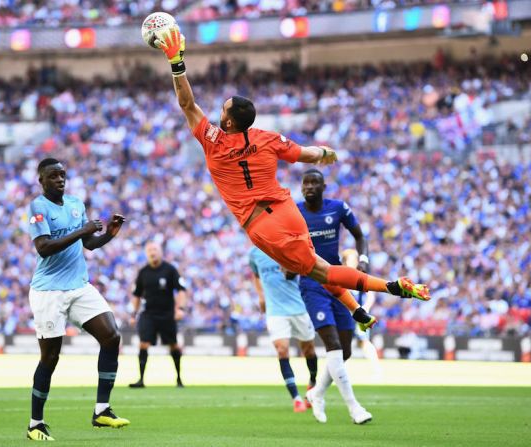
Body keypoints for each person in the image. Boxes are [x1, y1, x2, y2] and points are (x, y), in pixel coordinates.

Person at [153, 28, 430, 328]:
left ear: (229, 121)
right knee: (315, 267)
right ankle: (358, 312)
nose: (218, 110)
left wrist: (176, 62)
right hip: (287, 210)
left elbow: (187, 104)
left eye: (222, 109)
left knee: (321, 271)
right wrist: (325, 152)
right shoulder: (268, 138)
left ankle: (390, 286)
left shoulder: (213, 141)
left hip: (262, 224)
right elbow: (308, 155)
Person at [26, 158, 129, 441]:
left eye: (62, 175)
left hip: (78, 286)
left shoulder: (75, 203)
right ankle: (35, 424)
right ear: (41, 181)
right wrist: (82, 231)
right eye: (53, 176)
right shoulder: (38, 207)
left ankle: (102, 410)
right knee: (50, 357)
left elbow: (88, 244)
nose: (60, 179)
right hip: (48, 291)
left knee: (112, 337)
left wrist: (108, 234)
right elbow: (44, 247)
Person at [297, 168, 373, 425]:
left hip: (337, 280)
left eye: (314, 183)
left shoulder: (338, 208)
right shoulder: (294, 211)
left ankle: (316, 393)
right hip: (311, 283)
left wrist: (362, 259)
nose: (309, 187)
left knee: (346, 352)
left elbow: (360, 235)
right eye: (305, 183)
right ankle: (354, 408)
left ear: (323, 186)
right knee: (333, 346)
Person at [249, 246, 318, 413]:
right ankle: (296, 399)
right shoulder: (254, 254)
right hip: (275, 311)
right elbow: (256, 275)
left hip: (299, 308)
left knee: (308, 350)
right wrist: (260, 296)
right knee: (282, 350)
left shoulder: (285, 248)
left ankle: (312, 383)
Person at [129, 242, 187, 388]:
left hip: (167, 315)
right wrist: (133, 314)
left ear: (160, 252)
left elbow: (181, 290)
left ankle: (179, 379)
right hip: (148, 314)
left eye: (154, 249)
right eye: (149, 250)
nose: (152, 252)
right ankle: (141, 379)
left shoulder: (170, 270)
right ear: (146, 253)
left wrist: (180, 308)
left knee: (173, 345)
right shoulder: (143, 272)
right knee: (143, 344)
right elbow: (136, 295)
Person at [341, 249, 383, 383]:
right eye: (351, 260)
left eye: (355, 260)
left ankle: (376, 370)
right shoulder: (341, 275)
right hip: (345, 315)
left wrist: (365, 308)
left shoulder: (359, 275)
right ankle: (341, 372)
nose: (353, 263)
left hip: (358, 314)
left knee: (364, 342)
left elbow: (370, 294)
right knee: (345, 343)